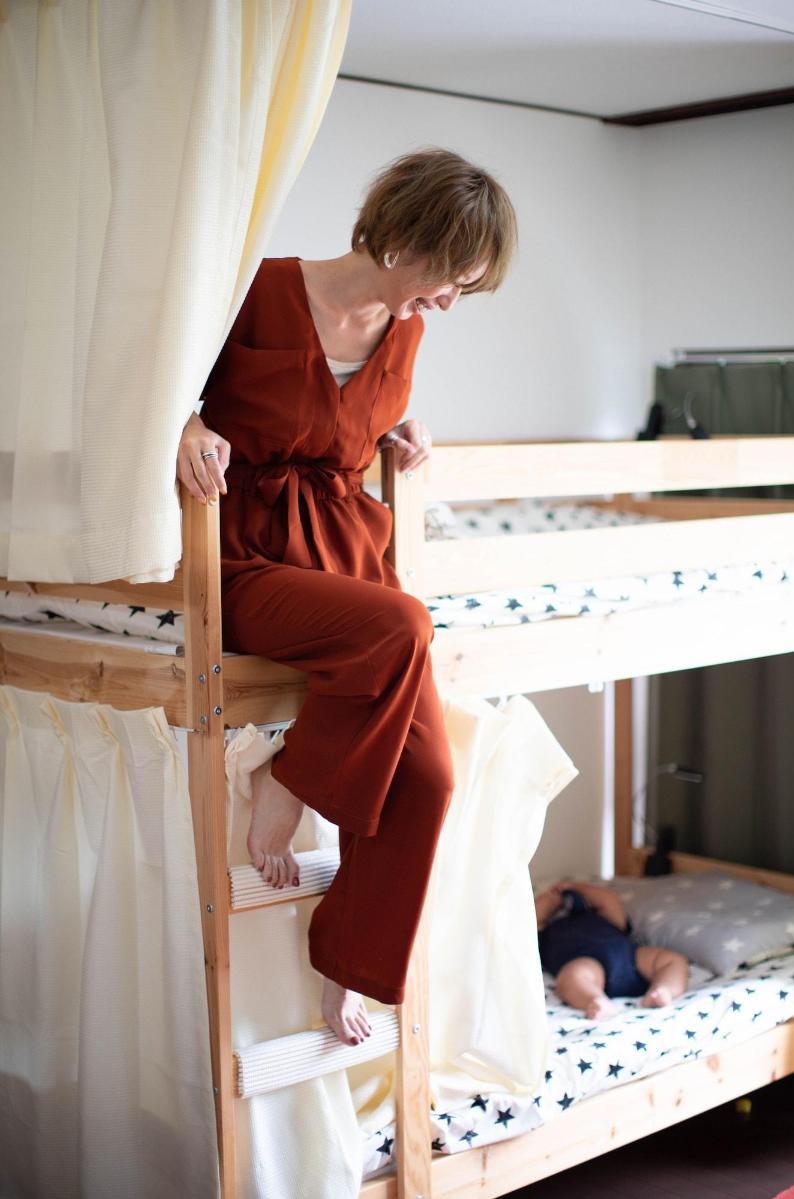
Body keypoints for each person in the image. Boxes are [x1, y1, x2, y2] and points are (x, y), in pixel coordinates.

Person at [175, 148, 518, 1046]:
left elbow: (346, 428)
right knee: (402, 623)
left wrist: (405, 428)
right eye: (451, 279)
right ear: (408, 238)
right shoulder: (253, 290)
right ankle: (287, 783)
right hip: (246, 555)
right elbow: (156, 389)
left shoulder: (406, 335)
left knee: (432, 777)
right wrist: (186, 423)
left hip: (346, 560)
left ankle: (347, 966)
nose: (449, 303)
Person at [536, 880, 689, 1019]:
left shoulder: (602, 917)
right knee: (571, 977)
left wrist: (577, 887)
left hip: (629, 957)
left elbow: (608, 900)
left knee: (672, 960)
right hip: (586, 964)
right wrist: (551, 897)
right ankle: (595, 1000)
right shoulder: (543, 932)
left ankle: (663, 990)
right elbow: (533, 915)